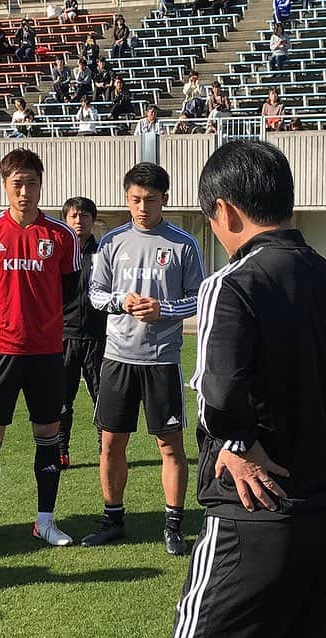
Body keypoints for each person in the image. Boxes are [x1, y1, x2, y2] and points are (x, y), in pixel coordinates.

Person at [166, 140, 326, 638]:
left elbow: (221, 393)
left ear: (225, 209)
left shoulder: (231, 283)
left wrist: (234, 442)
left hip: (254, 520)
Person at [0, 148, 81, 550]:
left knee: (47, 434)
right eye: (17, 183)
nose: (24, 191)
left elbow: (69, 291)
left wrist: (39, 321)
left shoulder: (61, 237)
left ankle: (45, 521)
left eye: (31, 182)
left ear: (40, 184)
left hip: (47, 352)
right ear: (5, 185)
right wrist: (7, 318)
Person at [85, 163, 204, 555]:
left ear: (164, 200)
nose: (142, 208)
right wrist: (121, 301)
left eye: (150, 200)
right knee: (111, 443)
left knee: (169, 446)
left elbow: (197, 298)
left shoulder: (183, 244)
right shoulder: (112, 242)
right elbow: (96, 295)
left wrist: (163, 309)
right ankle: (112, 519)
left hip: (162, 361)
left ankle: (173, 525)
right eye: (135, 199)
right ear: (126, 198)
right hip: (117, 358)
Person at [58, 197, 105, 468]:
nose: (79, 221)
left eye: (85, 215)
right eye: (74, 216)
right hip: (64, 337)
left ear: (92, 219)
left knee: (102, 398)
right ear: (66, 219)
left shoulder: (104, 253)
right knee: (62, 399)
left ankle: (105, 449)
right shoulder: (58, 252)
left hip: (98, 338)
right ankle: (61, 450)